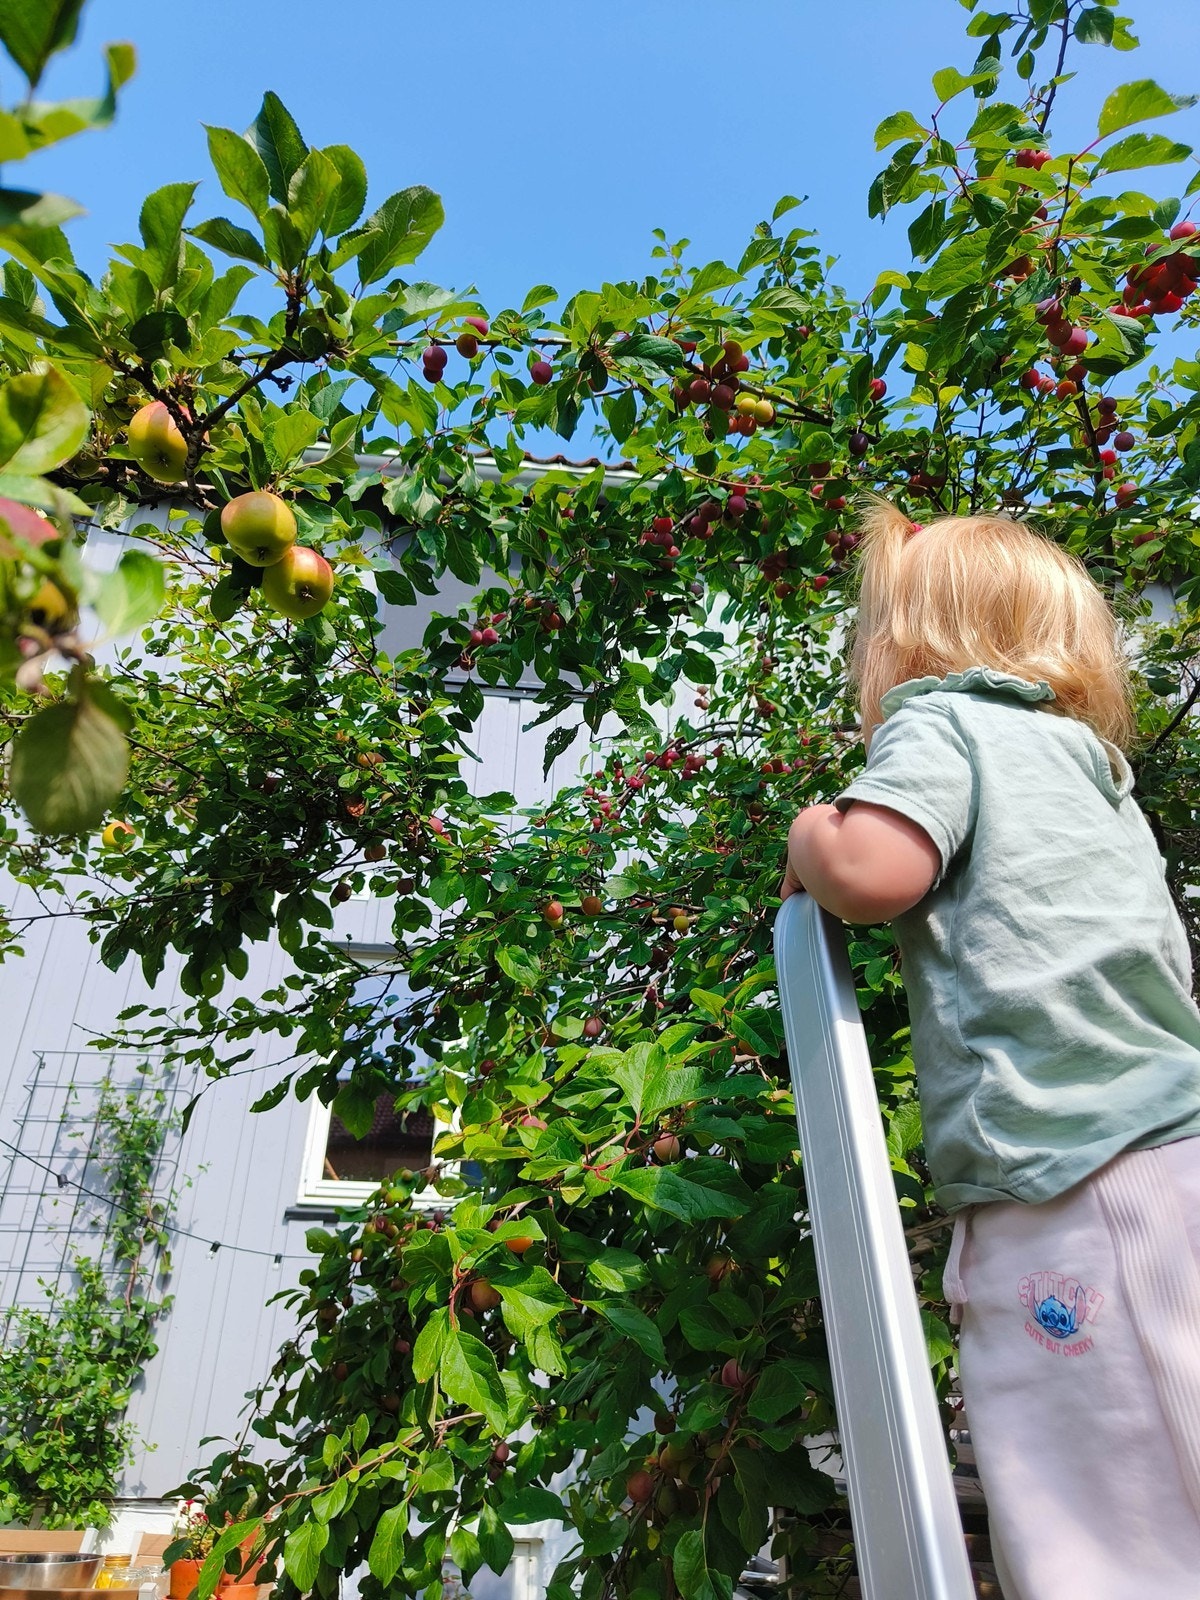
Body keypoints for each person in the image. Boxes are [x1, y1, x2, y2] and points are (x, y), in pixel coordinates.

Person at [780, 496, 1200, 1600]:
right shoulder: (1094, 771)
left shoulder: (942, 720)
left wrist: (808, 834)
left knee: (1101, 1529)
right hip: (1169, 1148)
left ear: (906, 646)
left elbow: (873, 871)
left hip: (1070, 1171)